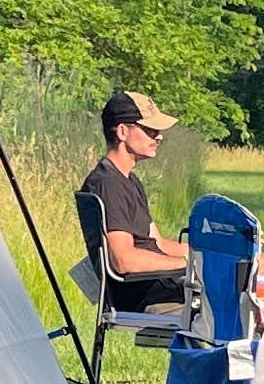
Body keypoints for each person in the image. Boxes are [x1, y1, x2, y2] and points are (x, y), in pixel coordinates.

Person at [76, 90, 192, 313]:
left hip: (160, 282)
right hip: (144, 291)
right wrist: (191, 266)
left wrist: (209, 252)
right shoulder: (108, 183)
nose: (158, 136)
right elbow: (124, 260)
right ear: (122, 131)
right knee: (255, 294)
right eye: (150, 130)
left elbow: (157, 243)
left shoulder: (128, 179)